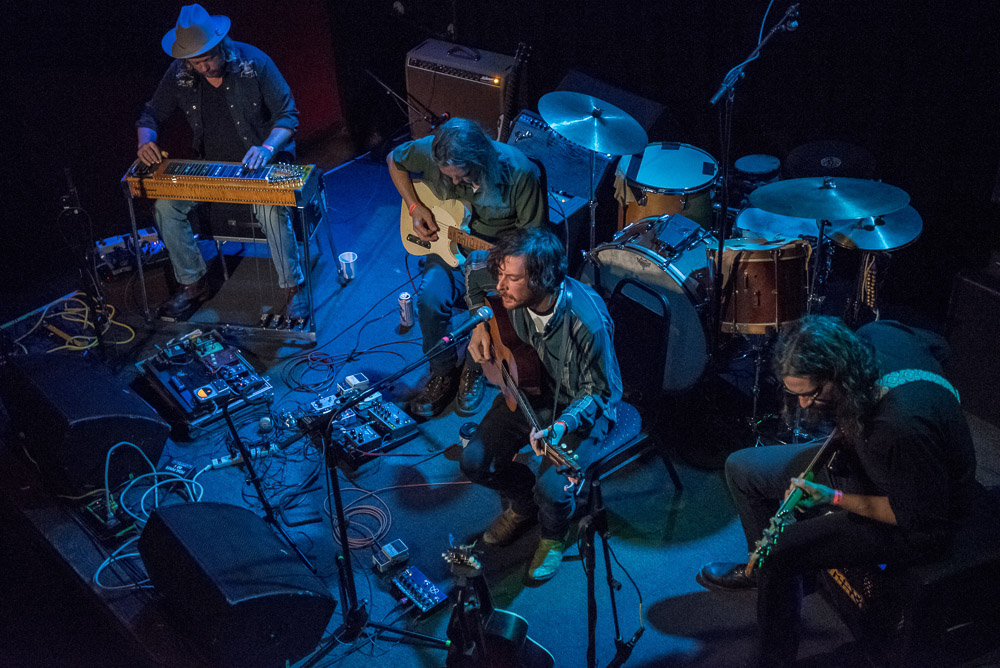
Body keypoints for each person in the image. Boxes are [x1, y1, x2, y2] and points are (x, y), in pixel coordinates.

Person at [697, 316, 982, 666]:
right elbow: (939, 346)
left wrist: (831, 497)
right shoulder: (877, 334)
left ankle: (774, 656)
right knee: (742, 469)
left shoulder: (897, 428)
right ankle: (770, 578)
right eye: (795, 394)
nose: (803, 405)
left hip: (921, 521)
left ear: (839, 374)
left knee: (780, 552)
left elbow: (912, 515)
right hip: (875, 461)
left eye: (811, 394)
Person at [460, 229, 622, 582]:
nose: (500, 286)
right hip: (531, 386)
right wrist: (480, 325)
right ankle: (523, 505)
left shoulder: (588, 323)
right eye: (500, 275)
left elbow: (601, 392)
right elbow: (472, 268)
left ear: (543, 279)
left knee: (551, 489)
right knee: (474, 462)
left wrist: (561, 426)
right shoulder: (507, 283)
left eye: (513, 279)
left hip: (581, 411)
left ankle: (553, 534)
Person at [136, 4, 306, 320]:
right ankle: (194, 284)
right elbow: (151, 114)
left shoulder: (255, 62)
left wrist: (267, 148)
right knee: (166, 207)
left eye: (209, 58)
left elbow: (288, 116)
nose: (204, 67)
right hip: (211, 168)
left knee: (269, 209)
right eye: (196, 62)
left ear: (221, 45)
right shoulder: (179, 73)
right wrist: (145, 141)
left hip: (261, 162)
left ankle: (293, 289)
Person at [387, 118, 546, 418]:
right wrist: (414, 207)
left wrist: (505, 264)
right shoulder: (434, 151)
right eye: (448, 176)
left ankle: (474, 368)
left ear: (481, 159)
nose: (455, 183)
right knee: (429, 300)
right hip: (448, 252)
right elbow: (393, 159)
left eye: (462, 176)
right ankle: (442, 370)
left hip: (497, 260)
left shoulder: (520, 173)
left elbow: (533, 243)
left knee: (487, 309)